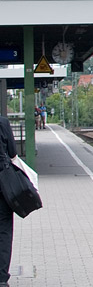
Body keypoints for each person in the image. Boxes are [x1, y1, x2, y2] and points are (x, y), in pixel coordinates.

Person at [0, 115, 18, 287]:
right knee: (3, 230)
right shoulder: (2, 122)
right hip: (2, 184)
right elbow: (12, 152)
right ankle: (1, 278)